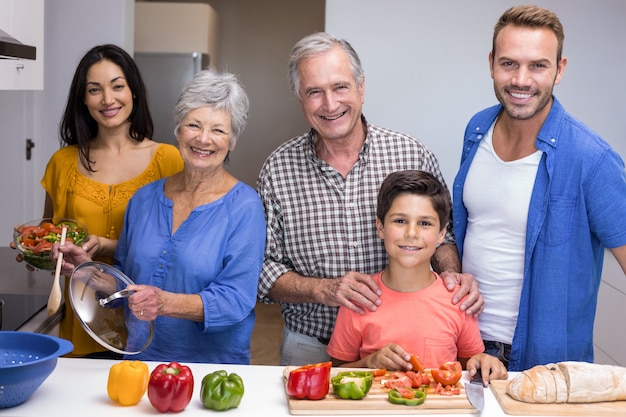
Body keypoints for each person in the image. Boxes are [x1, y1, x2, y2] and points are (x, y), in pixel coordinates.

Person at [257, 32, 483, 366]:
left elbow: (443, 238)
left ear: (361, 87)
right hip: (310, 346)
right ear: (300, 100)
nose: (330, 104)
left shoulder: (412, 154)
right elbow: (263, 268)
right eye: (314, 92)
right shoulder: (277, 169)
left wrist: (452, 280)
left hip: (400, 346)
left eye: (340, 87)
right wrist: (322, 289)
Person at [452, 5, 626, 372]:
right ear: (491, 63)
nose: (521, 79)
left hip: (541, 363)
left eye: (538, 65)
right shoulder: (477, 128)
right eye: (509, 63)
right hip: (461, 343)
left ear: (559, 69)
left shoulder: (591, 158)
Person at [55, 68, 266, 364]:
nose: (204, 139)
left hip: (212, 371)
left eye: (218, 130)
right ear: (178, 129)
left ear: (233, 140)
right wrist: (87, 270)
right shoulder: (143, 199)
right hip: (140, 361)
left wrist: (165, 302)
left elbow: (236, 300)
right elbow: (127, 284)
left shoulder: (245, 206)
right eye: (194, 125)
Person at [12, 44, 184, 358]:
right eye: (95, 90)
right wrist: (37, 247)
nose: (108, 99)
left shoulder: (168, 160)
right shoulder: (62, 162)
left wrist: (105, 245)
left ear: (134, 91)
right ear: (83, 99)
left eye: (117, 86)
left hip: (146, 319)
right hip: (83, 317)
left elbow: (177, 250)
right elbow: (53, 230)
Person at [327, 170, 508, 383]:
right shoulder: (359, 298)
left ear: (441, 234)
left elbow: (471, 365)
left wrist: (486, 362)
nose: (411, 233)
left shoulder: (458, 299)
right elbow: (336, 373)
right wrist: (370, 363)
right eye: (400, 221)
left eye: (424, 223)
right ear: (380, 227)